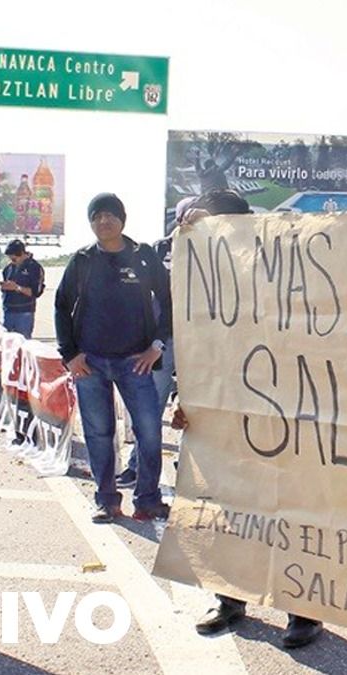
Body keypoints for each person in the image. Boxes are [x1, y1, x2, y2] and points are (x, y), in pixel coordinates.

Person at [172, 190, 325, 650]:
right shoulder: (201, 275)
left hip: (286, 407)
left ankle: (303, 610)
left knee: (290, 507)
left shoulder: (283, 262)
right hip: (225, 408)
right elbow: (193, 339)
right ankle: (230, 598)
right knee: (228, 507)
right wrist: (186, 398)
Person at [55, 193, 172, 523]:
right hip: (90, 364)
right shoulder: (82, 261)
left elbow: (168, 302)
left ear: (122, 219)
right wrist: (70, 355)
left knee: (149, 432)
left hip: (137, 362)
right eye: (97, 216)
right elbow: (61, 306)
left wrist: (157, 346)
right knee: (99, 434)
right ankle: (106, 501)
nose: (104, 221)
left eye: (110, 215)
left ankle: (148, 500)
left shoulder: (143, 256)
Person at [116, 195, 197, 489]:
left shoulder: (216, 245)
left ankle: (192, 469)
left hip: (201, 341)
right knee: (151, 405)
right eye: (188, 214)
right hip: (163, 338)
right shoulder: (160, 248)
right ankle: (137, 466)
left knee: (200, 408)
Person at [0, 239, 45, 339]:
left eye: (14, 258)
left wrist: (17, 288)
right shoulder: (8, 268)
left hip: (24, 313)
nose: (12, 260)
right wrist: (5, 287)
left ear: (22, 253)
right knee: (7, 343)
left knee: (23, 342)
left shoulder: (34, 267)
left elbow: (36, 292)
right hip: (8, 311)